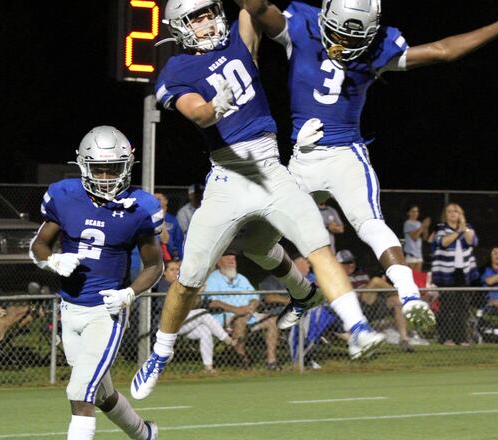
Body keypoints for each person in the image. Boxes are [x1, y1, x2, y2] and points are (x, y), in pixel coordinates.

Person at [132, 0, 387, 401]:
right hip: (227, 176)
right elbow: (196, 113)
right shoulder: (176, 70)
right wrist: (215, 105)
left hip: (271, 167)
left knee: (318, 246)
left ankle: (357, 329)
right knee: (189, 279)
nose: (207, 21)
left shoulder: (238, 38)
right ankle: (159, 355)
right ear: (181, 27)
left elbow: (252, 6)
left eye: (208, 11)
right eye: (196, 17)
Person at [239, 0, 498, 330]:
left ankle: (409, 292)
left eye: (356, 39)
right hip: (303, 158)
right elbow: (257, 7)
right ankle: (303, 292)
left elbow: (442, 51)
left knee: (369, 222)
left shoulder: (327, 31)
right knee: (255, 243)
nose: (347, 45)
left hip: (345, 155)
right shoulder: (301, 26)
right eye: (341, 35)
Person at [30, 126, 163, 440]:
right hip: (69, 308)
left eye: (112, 169)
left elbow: (155, 265)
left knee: (79, 390)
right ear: (83, 166)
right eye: (98, 169)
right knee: (101, 393)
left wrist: (129, 293)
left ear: (127, 166)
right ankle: (145, 434)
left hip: (106, 313)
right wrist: (52, 260)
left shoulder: (139, 207)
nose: (104, 176)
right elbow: (39, 245)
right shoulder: (64, 196)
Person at [204, 252, 281, 370]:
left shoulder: (241, 278)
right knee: (240, 321)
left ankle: (271, 360)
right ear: (218, 262)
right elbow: (212, 302)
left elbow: (255, 298)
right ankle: (241, 359)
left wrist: (251, 307)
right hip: (227, 317)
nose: (232, 261)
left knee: (273, 320)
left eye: (233, 259)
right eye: (228, 258)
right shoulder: (213, 279)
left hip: (249, 314)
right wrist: (236, 310)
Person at [155, 260, 235, 373]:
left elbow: (189, 306)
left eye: (177, 269)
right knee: (203, 313)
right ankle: (227, 339)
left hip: (181, 322)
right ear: (164, 273)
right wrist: (194, 293)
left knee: (205, 330)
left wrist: (196, 294)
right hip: (165, 324)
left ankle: (208, 367)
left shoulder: (180, 285)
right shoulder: (164, 285)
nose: (175, 272)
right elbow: (175, 307)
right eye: (172, 270)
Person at [336, 249, 417, 350]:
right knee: (375, 281)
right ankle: (407, 295)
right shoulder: (337, 277)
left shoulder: (361, 274)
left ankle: (404, 340)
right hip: (355, 307)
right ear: (338, 265)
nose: (351, 265)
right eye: (347, 263)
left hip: (371, 304)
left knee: (396, 300)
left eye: (352, 261)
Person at [431, 203, 479, 346]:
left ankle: (462, 338)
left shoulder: (467, 228)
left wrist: (464, 228)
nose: (452, 214)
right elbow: (443, 242)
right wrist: (458, 232)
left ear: (460, 214)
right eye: (449, 212)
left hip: (463, 273)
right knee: (447, 307)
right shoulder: (441, 229)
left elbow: (472, 241)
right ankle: (446, 337)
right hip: (446, 274)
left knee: (462, 307)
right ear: (445, 215)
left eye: (455, 212)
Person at [153, 191, 185, 261]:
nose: (155, 201)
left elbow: (178, 241)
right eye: (153, 199)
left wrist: (180, 258)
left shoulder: (172, 220)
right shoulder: (147, 219)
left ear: (166, 201)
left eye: (158, 199)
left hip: (170, 257)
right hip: (153, 257)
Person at [403, 206, 431, 273]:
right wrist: (422, 226)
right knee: (410, 278)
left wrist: (426, 227)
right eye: (413, 211)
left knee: (417, 278)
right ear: (408, 213)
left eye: (417, 211)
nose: (415, 213)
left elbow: (425, 238)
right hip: (411, 255)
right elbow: (414, 237)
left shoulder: (419, 223)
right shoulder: (407, 223)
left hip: (419, 255)